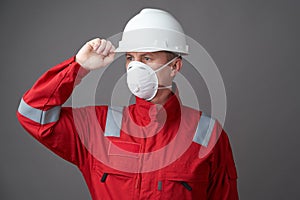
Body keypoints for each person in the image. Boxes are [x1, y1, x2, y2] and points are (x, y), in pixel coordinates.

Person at [17, 8, 238, 199]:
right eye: (130, 58)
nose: (135, 67)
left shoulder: (207, 134)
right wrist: (78, 67)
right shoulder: (98, 128)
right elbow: (33, 113)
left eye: (147, 58)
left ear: (175, 66)